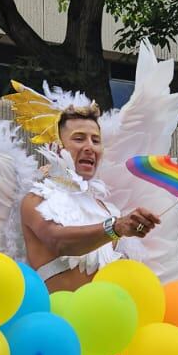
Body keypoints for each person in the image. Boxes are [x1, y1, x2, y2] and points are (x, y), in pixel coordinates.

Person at [20, 102, 160, 292]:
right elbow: (58, 241)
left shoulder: (109, 210)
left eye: (95, 140)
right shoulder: (36, 198)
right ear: (55, 147)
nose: (89, 147)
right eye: (79, 139)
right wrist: (115, 227)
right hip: (57, 317)